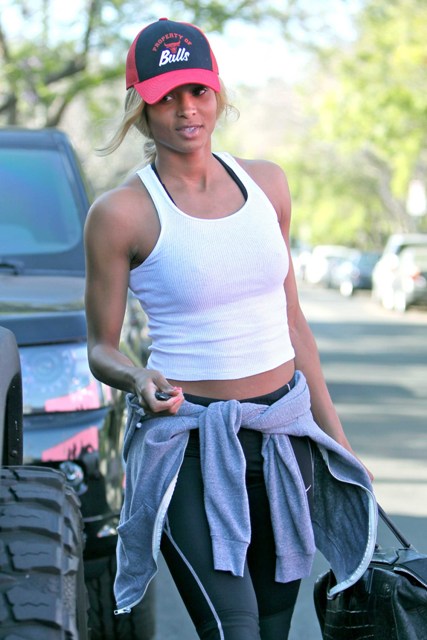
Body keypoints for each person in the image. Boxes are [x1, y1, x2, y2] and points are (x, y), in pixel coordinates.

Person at [84, 18, 376, 640]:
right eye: (166, 96)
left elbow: (293, 323)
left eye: (198, 90)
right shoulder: (120, 214)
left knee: (274, 626)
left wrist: (340, 443)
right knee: (234, 629)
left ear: (217, 91)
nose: (186, 109)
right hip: (189, 444)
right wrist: (137, 378)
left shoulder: (268, 184)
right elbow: (101, 348)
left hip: (283, 438)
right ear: (141, 107)